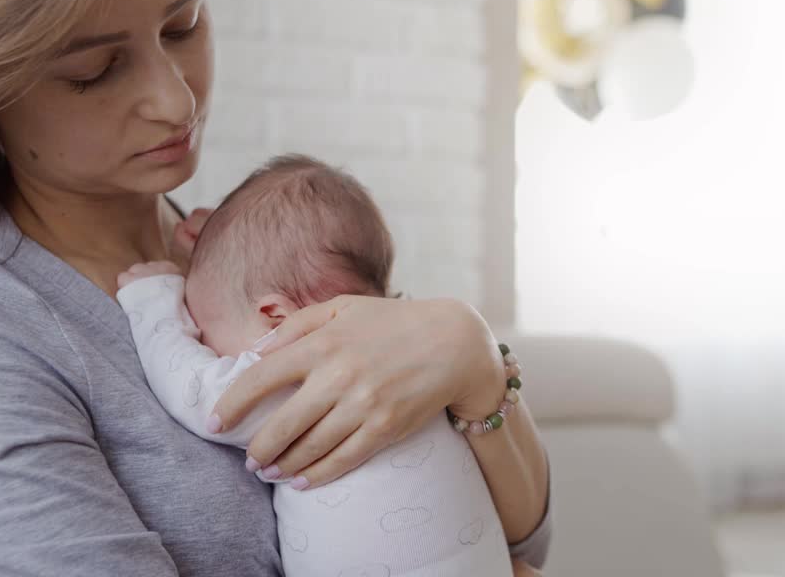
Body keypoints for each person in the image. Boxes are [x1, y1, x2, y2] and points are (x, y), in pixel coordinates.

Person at [0, 0, 551, 575]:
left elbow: (507, 537)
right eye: (94, 70)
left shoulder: (259, 251)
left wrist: (474, 360)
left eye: (183, 25)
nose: (176, 101)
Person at [118, 154, 519, 576]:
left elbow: (200, 396)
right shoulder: (412, 362)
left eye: (204, 331)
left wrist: (155, 300)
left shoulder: (314, 374)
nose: (206, 347)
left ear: (275, 316)